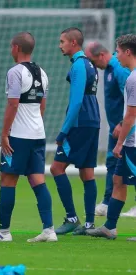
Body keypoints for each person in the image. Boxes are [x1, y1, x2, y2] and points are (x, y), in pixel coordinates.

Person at [0, 32, 56, 242]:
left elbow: (13, 103)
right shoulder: (43, 72)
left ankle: (4, 232)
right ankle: (49, 230)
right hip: (38, 134)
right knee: (37, 179)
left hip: (19, 136)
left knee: (7, 179)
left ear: (15, 48)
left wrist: (5, 134)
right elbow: (42, 105)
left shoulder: (15, 72)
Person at [51, 27, 100, 236]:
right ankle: (89, 225)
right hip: (93, 121)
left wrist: (63, 132)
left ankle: (71, 218)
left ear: (73, 43)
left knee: (56, 168)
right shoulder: (90, 64)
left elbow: (77, 101)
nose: (60, 45)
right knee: (87, 173)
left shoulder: (80, 65)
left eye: (62, 41)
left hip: (80, 124)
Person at [87, 34, 136, 242]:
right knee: (118, 179)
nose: (116, 55)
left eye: (117, 51)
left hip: (132, 139)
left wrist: (120, 140)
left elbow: (132, 113)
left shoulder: (129, 76)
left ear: (127, 52)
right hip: (128, 139)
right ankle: (109, 227)